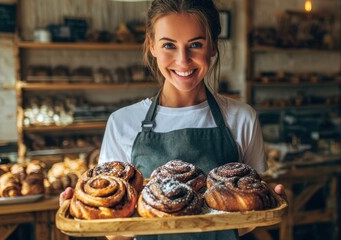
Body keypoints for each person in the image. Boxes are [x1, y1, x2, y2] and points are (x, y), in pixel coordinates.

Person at [59, 0, 284, 239]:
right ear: (152, 46)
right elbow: (117, 232)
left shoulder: (242, 118)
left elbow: (252, 212)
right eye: (169, 45)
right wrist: (90, 212)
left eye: (195, 44)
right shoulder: (122, 122)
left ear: (213, 47)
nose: (183, 60)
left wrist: (267, 206)